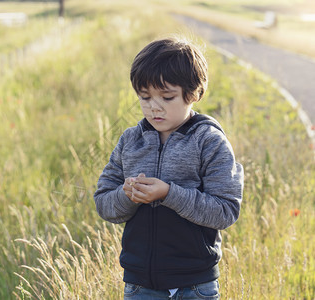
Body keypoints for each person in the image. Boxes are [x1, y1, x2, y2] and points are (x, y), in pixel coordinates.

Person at [94, 37, 244, 300]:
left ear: (194, 93)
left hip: (195, 284)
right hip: (141, 284)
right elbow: (104, 203)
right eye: (145, 97)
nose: (154, 106)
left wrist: (168, 194)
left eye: (167, 97)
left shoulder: (209, 141)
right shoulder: (130, 141)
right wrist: (126, 195)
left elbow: (225, 211)